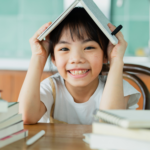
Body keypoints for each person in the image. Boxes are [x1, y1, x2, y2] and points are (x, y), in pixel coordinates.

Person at [18, 7, 140, 125]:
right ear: (53, 57)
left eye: (89, 47)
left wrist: (116, 60)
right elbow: (25, 116)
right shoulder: (51, 88)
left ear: (105, 55)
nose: (76, 59)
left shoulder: (119, 88)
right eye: (64, 48)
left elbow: (110, 123)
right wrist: (38, 57)